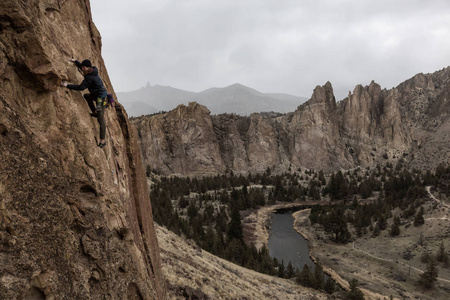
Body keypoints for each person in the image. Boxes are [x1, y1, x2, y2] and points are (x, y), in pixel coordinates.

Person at [61, 59, 107, 148]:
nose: (82, 69)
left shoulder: (90, 77)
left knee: (101, 118)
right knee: (87, 96)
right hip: (96, 95)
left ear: (87, 68)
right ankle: (94, 112)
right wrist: (76, 61)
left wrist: (67, 85)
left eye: (83, 67)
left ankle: (103, 140)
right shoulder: (92, 70)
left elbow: (81, 87)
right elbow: (83, 67)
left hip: (101, 98)